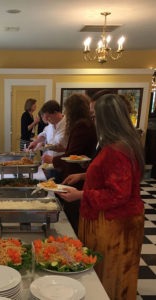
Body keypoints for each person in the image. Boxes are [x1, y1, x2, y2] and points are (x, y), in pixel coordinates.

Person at [58, 94, 145, 300]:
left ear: (108, 119)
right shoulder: (121, 144)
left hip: (115, 224)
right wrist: (84, 174)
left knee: (110, 276)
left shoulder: (117, 149)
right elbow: (112, 176)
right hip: (112, 220)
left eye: (95, 117)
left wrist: (80, 194)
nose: (93, 122)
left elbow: (118, 195)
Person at [42, 94, 97, 233]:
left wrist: (53, 160)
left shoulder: (81, 125)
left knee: (73, 213)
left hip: (75, 175)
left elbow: (73, 155)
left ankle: (73, 239)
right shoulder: (84, 124)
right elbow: (75, 151)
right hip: (79, 172)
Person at [28, 100, 67, 180]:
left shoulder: (68, 124)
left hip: (62, 167)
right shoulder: (51, 124)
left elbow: (71, 150)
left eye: (48, 117)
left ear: (56, 113)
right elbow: (44, 134)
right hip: (49, 166)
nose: (47, 120)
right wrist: (36, 142)